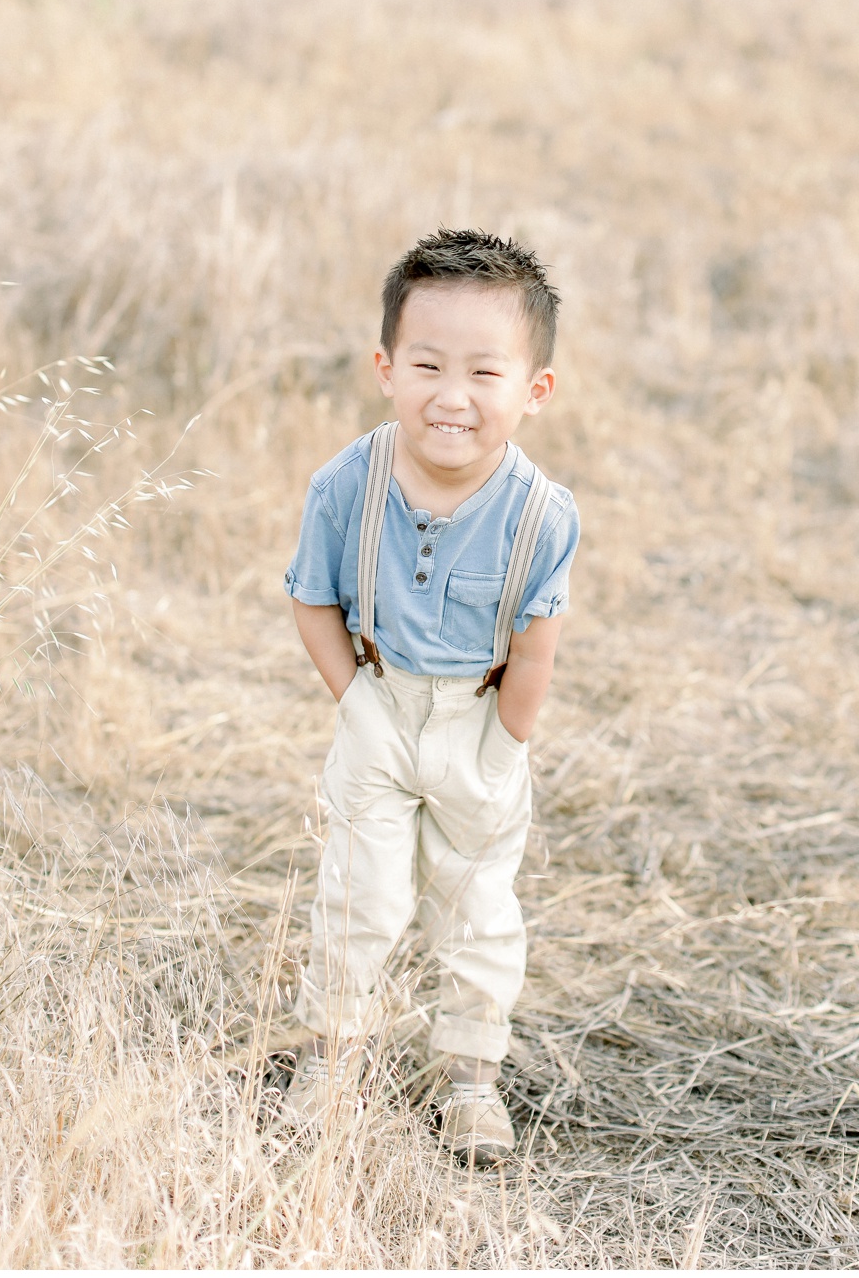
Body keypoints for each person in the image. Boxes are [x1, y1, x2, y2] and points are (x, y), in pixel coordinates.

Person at [282, 226, 579, 1160]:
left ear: (535, 392)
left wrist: (507, 743)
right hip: (380, 705)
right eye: (428, 365)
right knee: (356, 895)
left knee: (478, 903)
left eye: (486, 375)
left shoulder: (542, 514)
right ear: (385, 367)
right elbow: (312, 600)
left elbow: (536, 646)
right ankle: (332, 1059)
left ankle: (470, 1079)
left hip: (477, 723)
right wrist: (355, 701)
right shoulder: (346, 485)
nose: (452, 397)